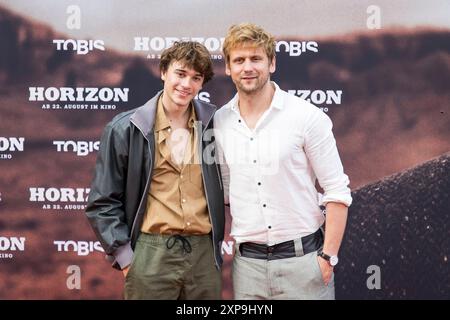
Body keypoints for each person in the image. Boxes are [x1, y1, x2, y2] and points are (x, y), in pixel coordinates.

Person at [214, 23, 352, 299]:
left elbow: (337, 191)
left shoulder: (307, 117)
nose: (247, 67)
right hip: (247, 269)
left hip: (305, 264)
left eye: (256, 59)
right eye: (239, 60)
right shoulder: (219, 123)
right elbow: (226, 192)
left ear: (272, 63)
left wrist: (328, 258)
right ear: (228, 68)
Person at [86, 41, 225, 300]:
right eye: (180, 74)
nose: (186, 85)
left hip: (203, 255)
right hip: (152, 251)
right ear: (163, 72)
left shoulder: (214, 127)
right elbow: (102, 202)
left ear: (202, 83)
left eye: (196, 78)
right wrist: (127, 260)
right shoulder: (125, 128)